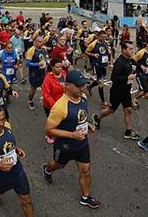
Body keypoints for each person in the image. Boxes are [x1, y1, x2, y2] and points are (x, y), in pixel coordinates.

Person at [41, 70, 100, 209]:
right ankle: (47, 169)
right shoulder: (60, 107)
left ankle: (85, 197)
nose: (82, 88)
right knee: (58, 165)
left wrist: (88, 125)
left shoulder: (83, 97)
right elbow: (49, 130)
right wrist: (72, 135)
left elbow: (82, 116)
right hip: (65, 146)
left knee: (85, 171)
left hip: (82, 143)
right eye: (78, 86)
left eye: (83, 85)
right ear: (67, 86)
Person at [93, 41, 140, 140]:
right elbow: (114, 78)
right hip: (117, 92)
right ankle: (97, 118)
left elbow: (135, 67)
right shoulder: (119, 62)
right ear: (124, 50)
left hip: (126, 91)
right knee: (111, 110)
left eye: (133, 48)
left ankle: (128, 131)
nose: (133, 51)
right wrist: (127, 77)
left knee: (128, 110)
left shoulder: (130, 60)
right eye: (130, 49)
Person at [42, 59, 66, 144]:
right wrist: (55, 106)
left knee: (61, 121)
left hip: (63, 103)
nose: (60, 69)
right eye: (57, 67)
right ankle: (48, 134)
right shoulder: (48, 78)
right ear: (52, 67)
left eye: (61, 67)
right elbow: (46, 95)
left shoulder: (64, 74)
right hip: (51, 105)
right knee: (52, 122)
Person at [85, 30, 112, 106]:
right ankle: (103, 102)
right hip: (96, 65)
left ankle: (89, 87)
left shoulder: (105, 43)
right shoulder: (93, 44)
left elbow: (109, 53)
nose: (104, 39)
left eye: (105, 37)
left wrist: (111, 62)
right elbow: (86, 52)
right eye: (102, 37)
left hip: (103, 65)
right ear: (98, 36)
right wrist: (93, 55)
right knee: (101, 83)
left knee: (100, 80)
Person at [25, 36, 48, 111]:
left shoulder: (44, 49)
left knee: (44, 87)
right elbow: (27, 63)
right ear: (35, 42)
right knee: (33, 89)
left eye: (42, 42)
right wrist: (38, 64)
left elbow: (46, 57)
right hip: (34, 73)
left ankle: (46, 100)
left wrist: (47, 61)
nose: (41, 43)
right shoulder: (32, 50)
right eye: (39, 42)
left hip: (42, 72)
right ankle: (30, 101)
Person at [132, 38, 148, 107]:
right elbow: (133, 60)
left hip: (146, 73)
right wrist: (141, 66)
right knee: (143, 90)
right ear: (147, 44)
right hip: (139, 73)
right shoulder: (141, 52)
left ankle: (134, 99)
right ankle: (133, 99)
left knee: (143, 89)